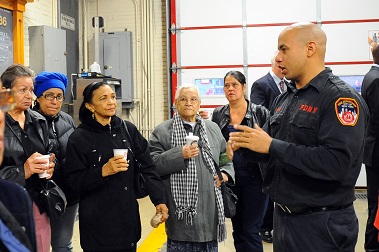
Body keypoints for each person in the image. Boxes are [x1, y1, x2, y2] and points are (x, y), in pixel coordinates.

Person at [228, 22, 369, 252]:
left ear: (310, 49)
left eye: (284, 49)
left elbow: (337, 164)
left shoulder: (340, 99)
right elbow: (273, 154)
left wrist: (272, 145)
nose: (278, 57)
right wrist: (246, 145)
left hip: (322, 227)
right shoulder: (285, 99)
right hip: (284, 221)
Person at [64, 81, 168, 251]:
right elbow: (72, 183)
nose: (111, 102)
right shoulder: (79, 138)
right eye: (103, 98)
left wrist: (159, 200)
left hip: (127, 223)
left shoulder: (128, 130)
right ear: (90, 106)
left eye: (113, 97)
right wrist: (103, 171)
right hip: (97, 228)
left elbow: (148, 167)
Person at [149, 83, 234, 252]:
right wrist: (179, 154)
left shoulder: (213, 129)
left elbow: (225, 159)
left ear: (199, 103)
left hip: (210, 214)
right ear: (176, 103)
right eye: (183, 99)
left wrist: (225, 173)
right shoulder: (163, 131)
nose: (189, 103)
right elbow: (152, 165)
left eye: (193, 99)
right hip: (180, 218)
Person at [211, 70, 270, 252]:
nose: (230, 89)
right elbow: (216, 146)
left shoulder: (260, 112)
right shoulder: (218, 114)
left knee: (251, 229)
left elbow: (269, 145)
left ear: (244, 87)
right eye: (227, 85)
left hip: (256, 179)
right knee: (238, 230)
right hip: (231, 181)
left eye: (235, 85)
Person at [0, 63, 56, 252]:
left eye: (31, 90)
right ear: (3, 90)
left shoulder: (39, 121)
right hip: (5, 205)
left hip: (37, 200)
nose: (30, 96)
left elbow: (48, 151)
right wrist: (23, 171)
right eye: (22, 90)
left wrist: (49, 166)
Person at [33, 71, 78, 252]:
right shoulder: (28, 121)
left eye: (59, 96)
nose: (55, 101)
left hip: (67, 194)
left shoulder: (67, 120)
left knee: (62, 245)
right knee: (38, 245)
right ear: (38, 97)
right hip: (38, 195)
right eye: (49, 95)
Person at [250, 53, 286, 243]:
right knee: (268, 185)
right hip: (267, 142)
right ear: (277, 65)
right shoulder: (261, 84)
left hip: (282, 143)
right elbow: (257, 113)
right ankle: (265, 227)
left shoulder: (288, 85)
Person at [362, 43, 379, 252]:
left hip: (373, 149)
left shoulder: (371, 76)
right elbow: (376, 119)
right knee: (376, 204)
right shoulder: (375, 80)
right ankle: (373, 247)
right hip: (376, 151)